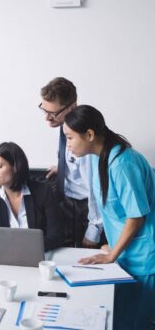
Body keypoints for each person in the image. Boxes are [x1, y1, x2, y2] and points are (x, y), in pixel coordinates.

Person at [64, 105, 155, 329]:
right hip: (124, 253)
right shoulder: (98, 157)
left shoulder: (123, 163)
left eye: (69, 138)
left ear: (90, 135)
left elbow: (136, 217)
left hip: (144, 258)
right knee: (118, 320)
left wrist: (112, 254)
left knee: (135, 323)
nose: (68, 145)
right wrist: (112, 247)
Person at [40, 77, 103, 248]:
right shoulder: (60, 124)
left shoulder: (86, 139)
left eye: (52, 113)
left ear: (72, 107)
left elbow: (96, 189)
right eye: (44, 110)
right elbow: (70, 157)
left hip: (85, 208)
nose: (47, 118)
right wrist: (61, 167)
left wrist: (93, 231)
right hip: (65, 199)